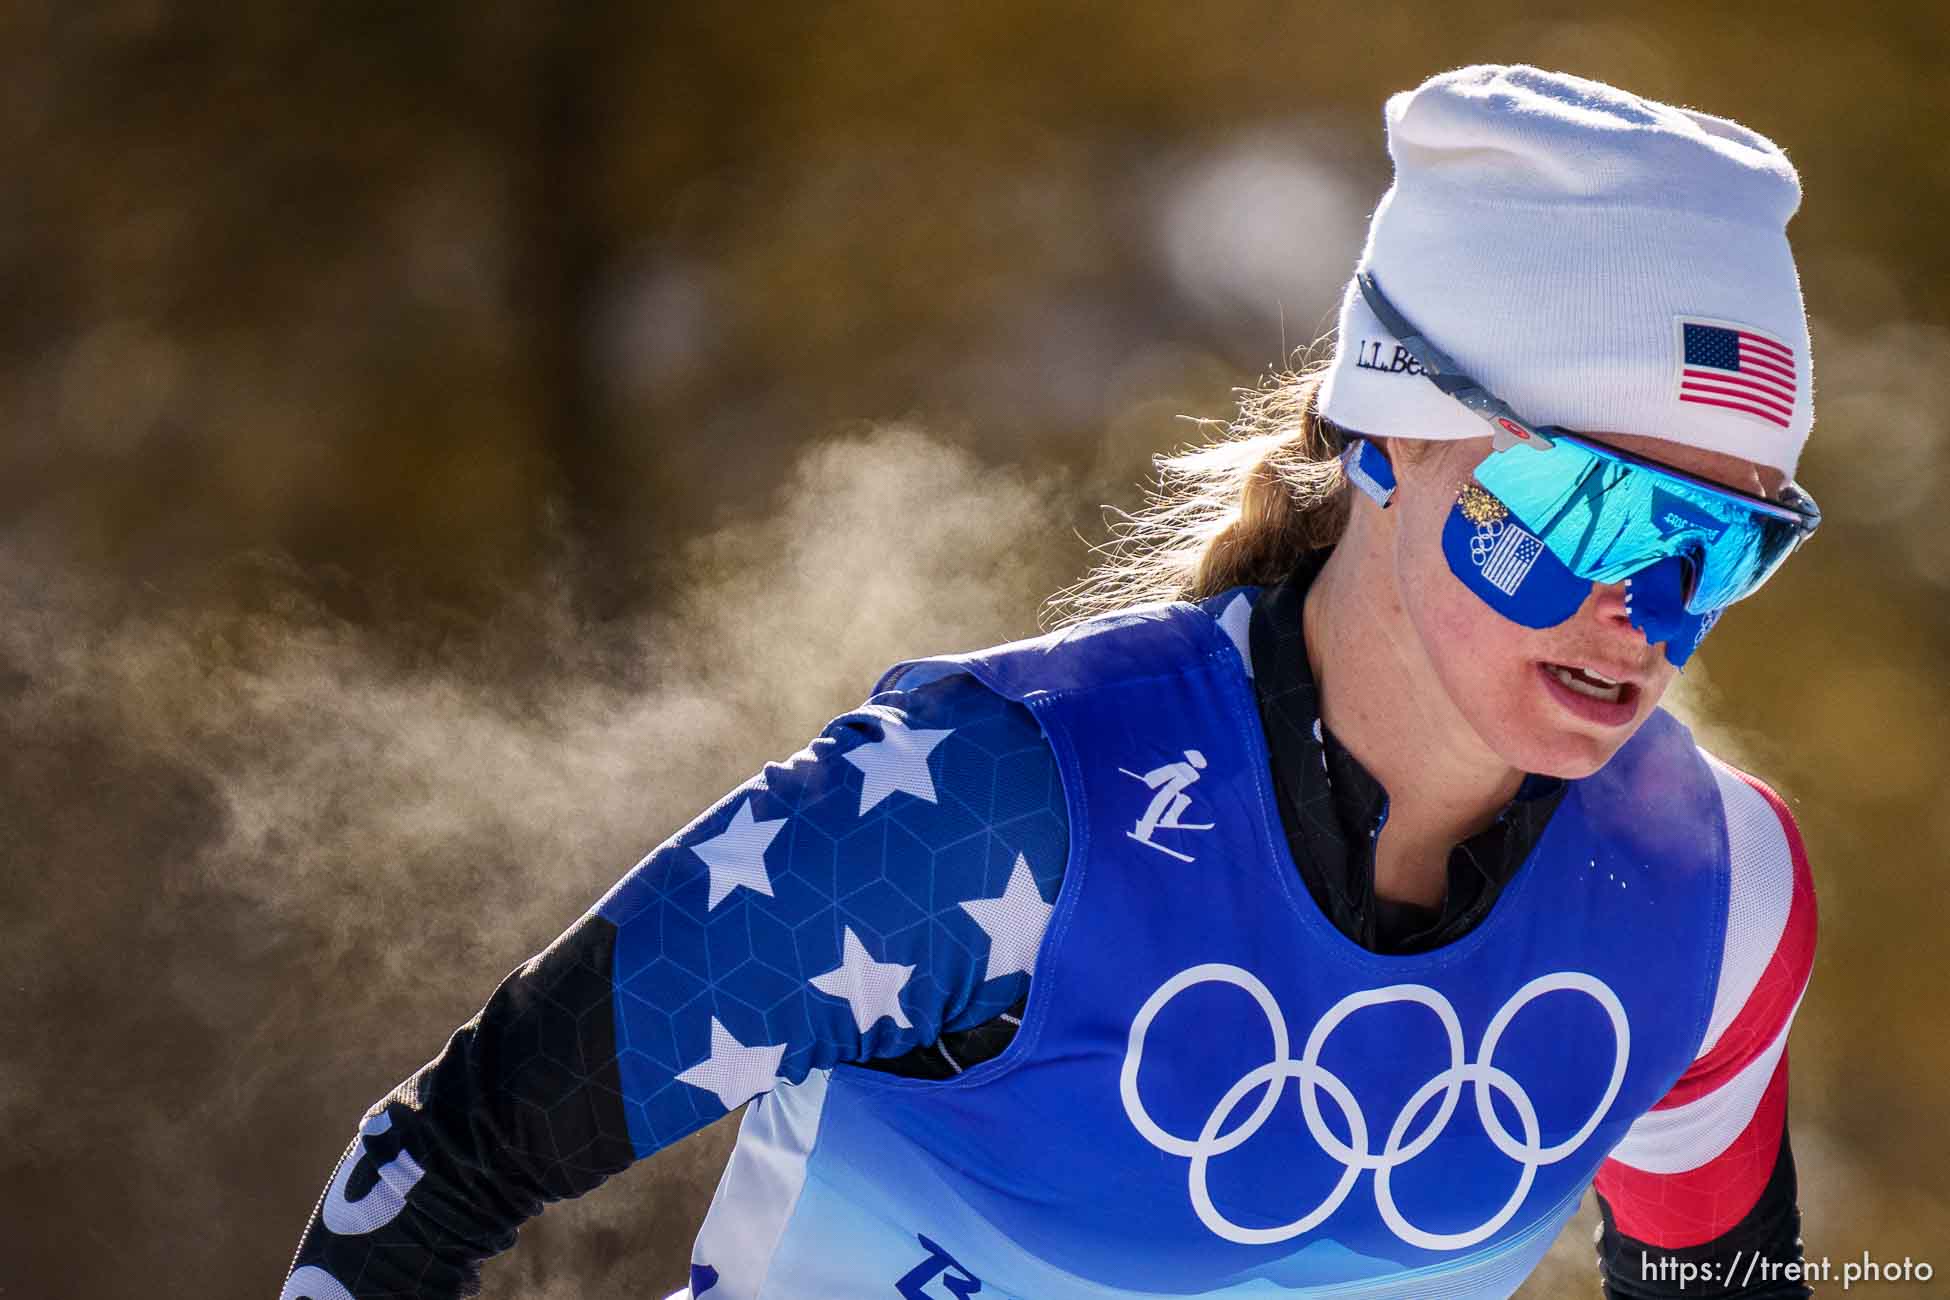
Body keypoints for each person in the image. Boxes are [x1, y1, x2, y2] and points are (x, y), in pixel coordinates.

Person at [282, 65, 1821, 1299]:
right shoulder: (986, 803)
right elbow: (438, 1171)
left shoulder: (1713, 890)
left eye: (1723, 544)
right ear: (1387, 437)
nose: (1648, 611)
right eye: (1594, 511)